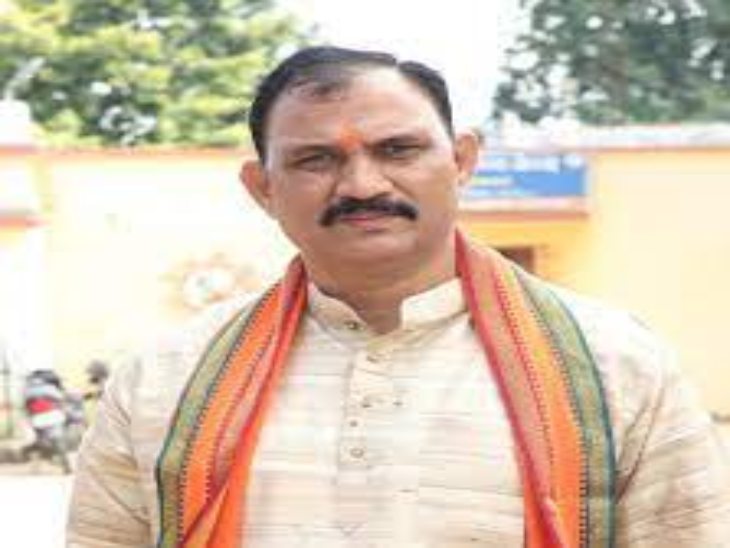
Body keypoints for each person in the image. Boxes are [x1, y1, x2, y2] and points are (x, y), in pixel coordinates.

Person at [67, 46, 730, 547]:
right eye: (316, 160)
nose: (361, 184)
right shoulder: (165, 378)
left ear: (462, 161)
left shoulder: (618, 365)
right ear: (262, 187)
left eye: (398, 149)